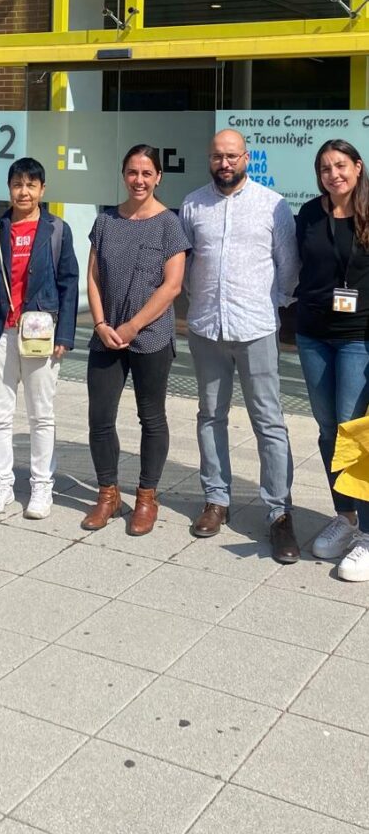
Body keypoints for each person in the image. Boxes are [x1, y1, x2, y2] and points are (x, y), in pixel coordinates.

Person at [180, 128, 300, 563]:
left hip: (256, 329)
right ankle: (216, 499)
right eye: (218, 156)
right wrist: (201, 301)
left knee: (269, 421)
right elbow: (186, 263)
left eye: (232, 156)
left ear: (246, 158)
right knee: (210, 415)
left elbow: (288, 267)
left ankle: (279, 512)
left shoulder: (273, 205)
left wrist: (270, 305)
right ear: (209, 159)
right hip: (206, 328)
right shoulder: (193, 205)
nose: (225, 163)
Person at [83, 143, 190, 536]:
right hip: (106, 335)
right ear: (123, 175)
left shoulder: (169, 224)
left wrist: (132, 327)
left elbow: (172, 286)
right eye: (132, 172)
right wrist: (100, 323)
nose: (139, 180)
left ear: (158, 177)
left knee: (151, 417)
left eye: (147, 173)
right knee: (100, 417)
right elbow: (93, 277)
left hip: (151, 336)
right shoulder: (106, 221)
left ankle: (146, 496)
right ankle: (108, 494)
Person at [0, 157, 78, 519]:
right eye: (17, 184)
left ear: (42, 190)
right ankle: (1, 483)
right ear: (9, 188)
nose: (23, 192)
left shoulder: (57, 230)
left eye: (30, 185)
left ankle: (42, 486)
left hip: (40, 333)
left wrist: (65, 334)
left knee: (41, 414)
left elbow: (69, 283)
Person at [296, 139, 369, 582]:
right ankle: (345, 516)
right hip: (313, 336)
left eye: (340, 165)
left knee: (353, 429)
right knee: (327, 430)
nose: (333, 174)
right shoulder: (309, 213)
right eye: (325, 168)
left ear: (357, 167)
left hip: (358, 338)